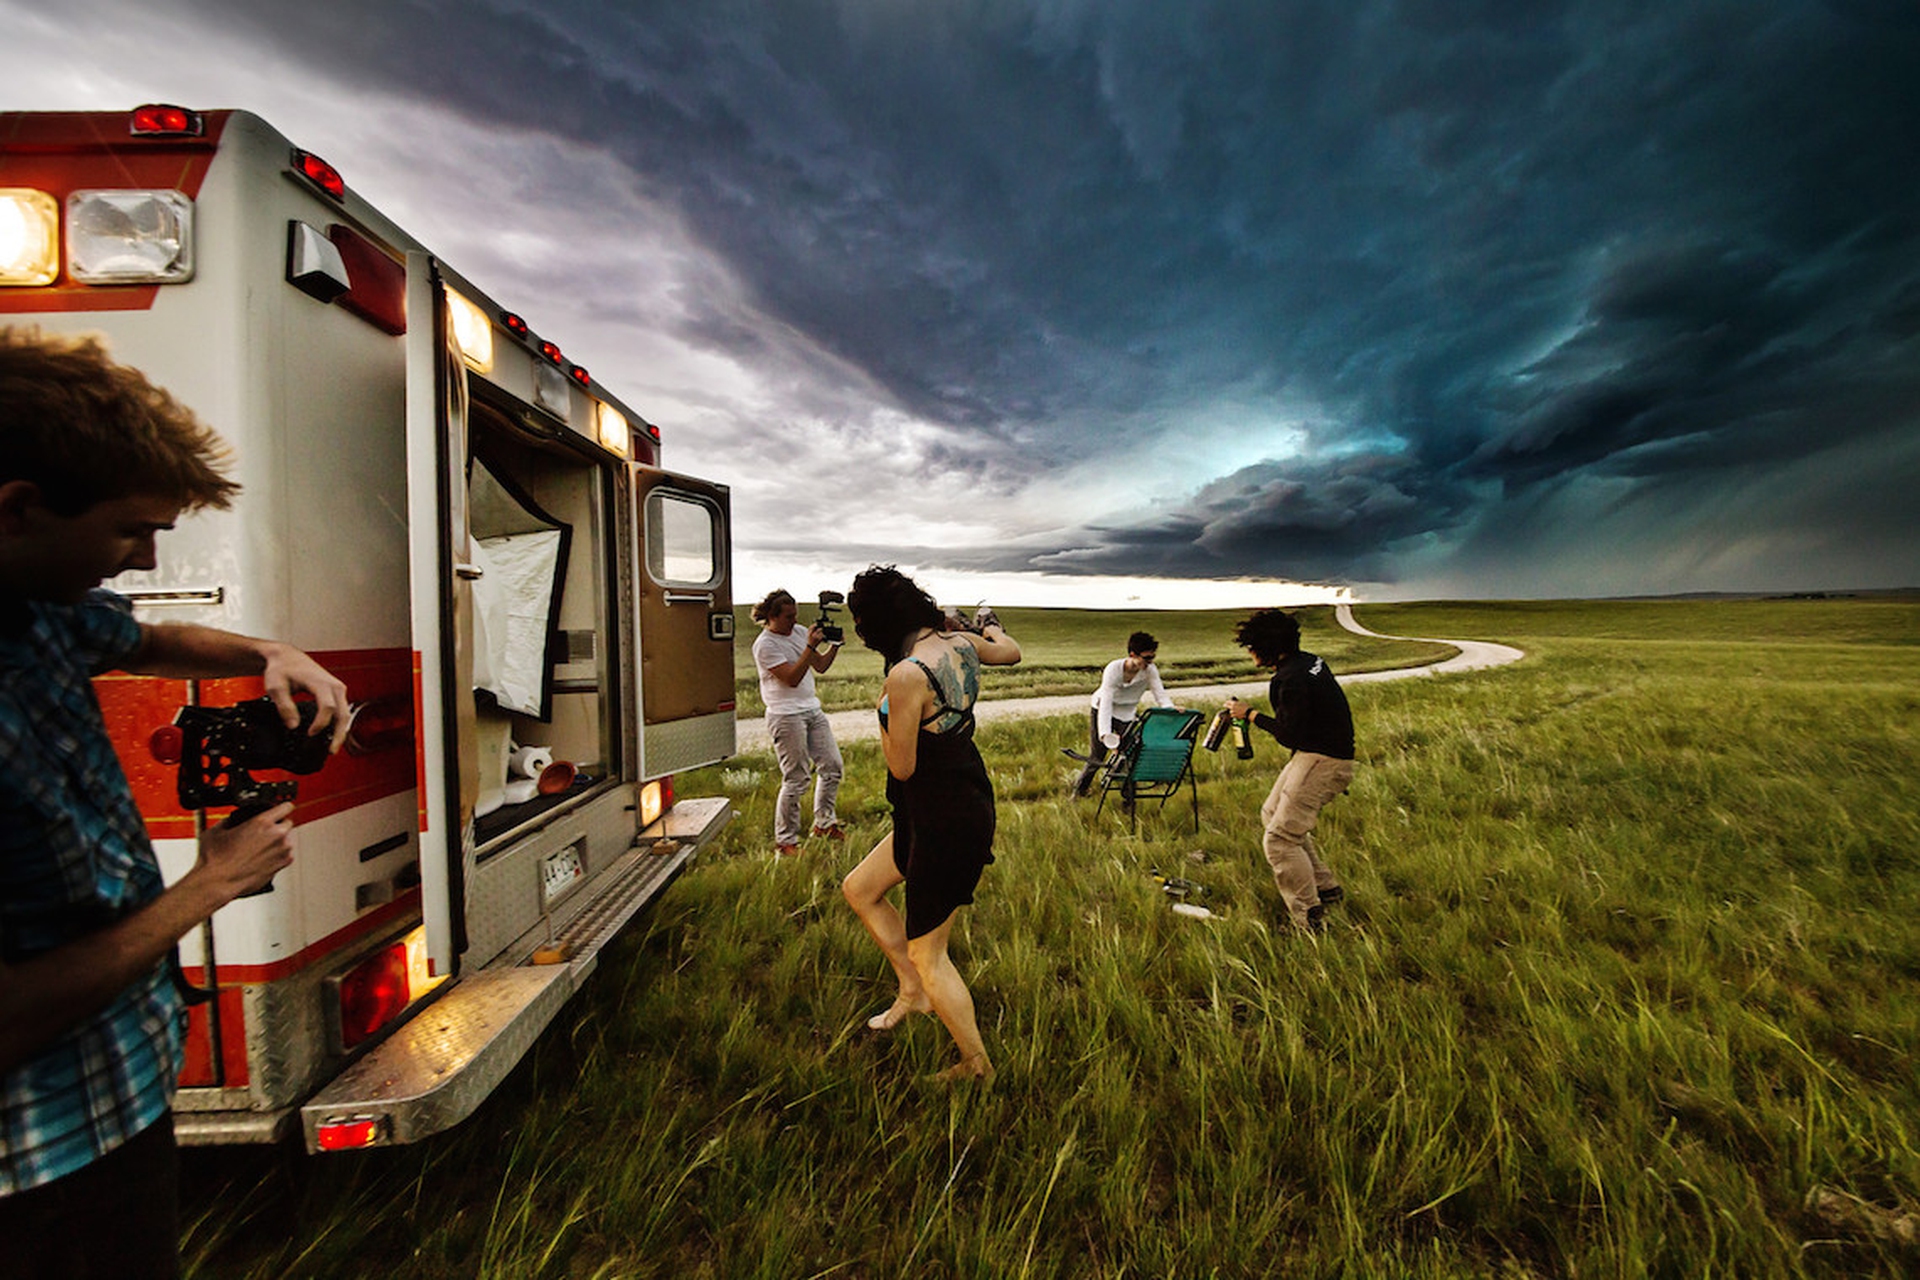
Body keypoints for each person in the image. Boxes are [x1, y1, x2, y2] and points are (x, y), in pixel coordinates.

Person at [0, 327, 352, 1280]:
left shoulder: (35, 610)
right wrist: (207, 888)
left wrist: (265, 654)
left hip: (123, 1095)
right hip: (41, 1165)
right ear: (20, 509)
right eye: (129, 530)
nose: (144, 556)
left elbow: (146, 638)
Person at [839, 566, 1020, 1081]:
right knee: (860, 889)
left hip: (944, 817)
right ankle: (913, 993)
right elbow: (1010, 651)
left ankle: (976, 1064)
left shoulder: (906, 675)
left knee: (928, 951)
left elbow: (902, 766)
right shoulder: (958, 642)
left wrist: (881, 717)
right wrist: (986, 626)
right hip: (947, 801)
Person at [1224, 609, 1354, 934]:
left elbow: (1289, 734)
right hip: (1319, 751)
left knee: (1280, 839)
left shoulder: (1291, 678)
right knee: (1272, 814)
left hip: (1322, 759)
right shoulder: (1310, 661)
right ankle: (1326, 887)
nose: (1250, 652)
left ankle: (1308, 920)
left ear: (1268, 647)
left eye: (1252, 646)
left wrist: (1249, 714)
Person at [750, 589, 845, 856]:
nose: (794, 621)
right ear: (772, 616)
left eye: (796, 616)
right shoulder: (765, 645)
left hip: (812, 709)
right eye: (788, 617)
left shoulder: (799, 631)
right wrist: (810, 646)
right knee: (797, 777)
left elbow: (821, 666)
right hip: (785, 715)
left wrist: (834, 645)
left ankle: (824, 824)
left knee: (833, 766)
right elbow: (791, 677)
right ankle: (786, 841)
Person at [1071, 629, 1174, 796]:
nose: (1150, 662)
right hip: (1103, 709)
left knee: (1131, 754)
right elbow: (1106, 702)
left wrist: (1171, 711)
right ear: (1133, 655)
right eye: (1146, 658)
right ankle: (1079, 791)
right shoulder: (1113, 669)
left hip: (1127, 713)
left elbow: (1159, 694)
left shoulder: (1150, 670)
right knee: (1097, 756)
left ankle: (1128, 797)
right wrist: (1105, 734)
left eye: (1152, 657)